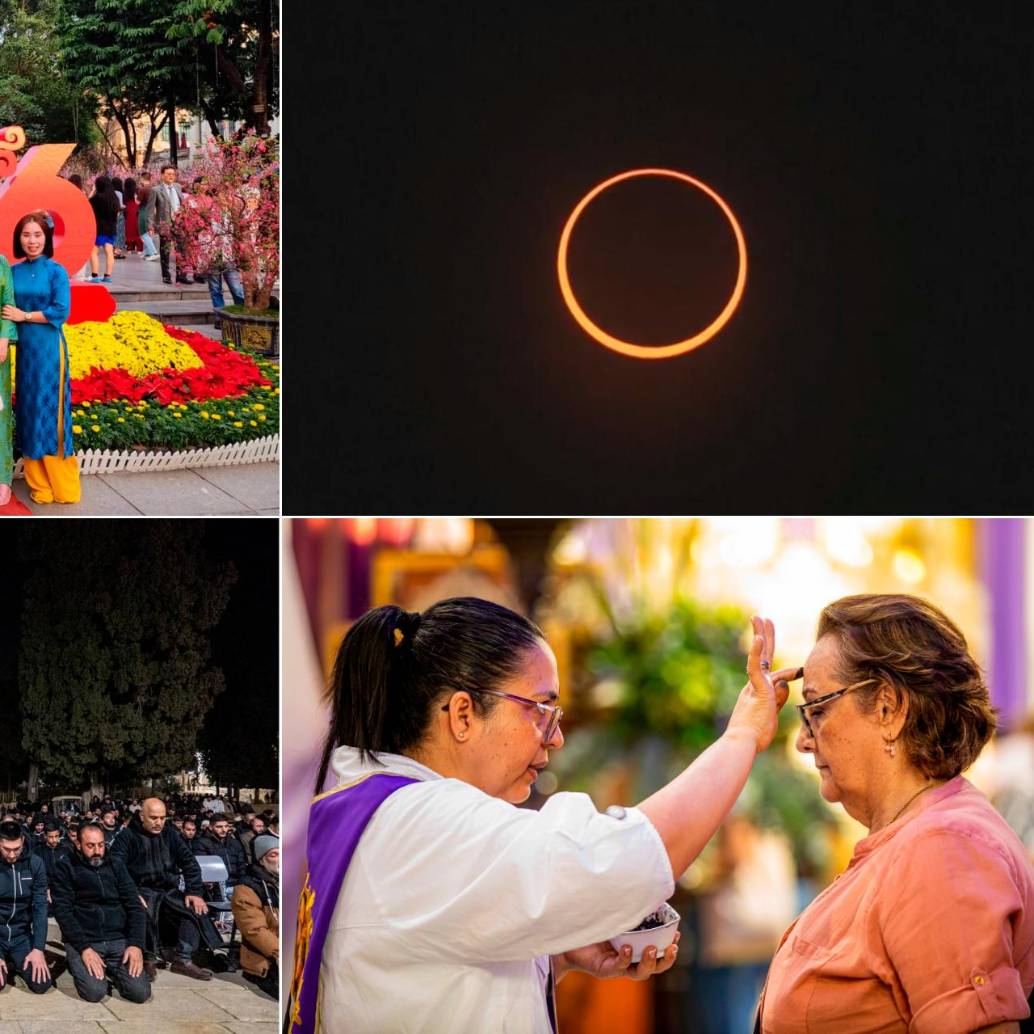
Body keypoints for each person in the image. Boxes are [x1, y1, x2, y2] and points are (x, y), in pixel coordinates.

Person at [289, 598, 793, 1034]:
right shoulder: (421, 823)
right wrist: (742, 736)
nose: (557, 738)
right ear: (463, 714)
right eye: (541, 710)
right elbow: (616, 859)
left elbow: (423, 969)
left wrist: (558, 954)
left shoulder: (383, 810)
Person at [758, 594, 1034, 1033]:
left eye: (817, 710)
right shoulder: (922, 836)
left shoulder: (941, 849)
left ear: (889, 708)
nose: (803, 741)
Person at [2, 212, 79, 505]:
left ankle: (63, 485)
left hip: (49, 351)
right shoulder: (13, 271)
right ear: (18, 239)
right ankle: (40, 484)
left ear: (46, 238)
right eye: (26, 235)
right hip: (24, 353)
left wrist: (24, 316)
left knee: (51, 413)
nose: (32, 241)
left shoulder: (56, 271)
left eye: (37, 235)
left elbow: (61, 310)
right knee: (29, 410)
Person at [109, 796, 224, 981]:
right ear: (142, 816)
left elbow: (190, 864)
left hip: (168, 890)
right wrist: (131, 893)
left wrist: (194, 892)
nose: (159, 822)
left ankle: (183, 959)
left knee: (194, 909)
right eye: (154, 817)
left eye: (162, 818)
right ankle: (147, 959)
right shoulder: (127, 837)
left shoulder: (171, 835)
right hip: (140, 889)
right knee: (142, 910)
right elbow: (116, 867)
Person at [51, 821, 150, 1003]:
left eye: (101, 845)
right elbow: (63, 912)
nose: (97, 851)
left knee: (140, 993)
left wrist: (136, 945)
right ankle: (77, 963)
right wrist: (84, 949)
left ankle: (113, 970)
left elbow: (135, 906)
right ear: (78, 844)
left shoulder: (116, 865)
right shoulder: (65, 867)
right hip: (86, 939)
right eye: (90, 846)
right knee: (94, 992)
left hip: (118, 938)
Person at [0, 818, 52, 994]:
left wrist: (38, 948)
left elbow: (40, 908)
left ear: (22, 841)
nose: (12, 855)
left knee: (41, 984)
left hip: (21, 935)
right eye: (6, 849)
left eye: (16, 849)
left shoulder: (35, 863)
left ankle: (14, 960)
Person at [232, 832, 279, 1000]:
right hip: (266, 960)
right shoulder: (247, 888)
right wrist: (280, 952)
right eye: (274, 855)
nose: (281, 859)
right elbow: (254, 929)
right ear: (261, 859)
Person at [0, 254, 18, 510]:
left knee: (0, 413)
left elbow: (7, 303)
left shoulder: (1, 263)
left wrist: (4, 339)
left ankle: (2, 478)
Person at [151, 165, 189, 285]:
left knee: (181, 249)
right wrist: (150, 225)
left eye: (173, 174)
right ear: (162, 175)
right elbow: (150, 210)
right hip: (165, 224)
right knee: (165, 250)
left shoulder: (178, 186)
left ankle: (181, 275)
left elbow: (182, 203)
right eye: (168, 174)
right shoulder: (156, 190)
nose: (171, 176)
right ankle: (166, 275)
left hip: (179, 223)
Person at [194, 814, 247, 888]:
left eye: (226, 826)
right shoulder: (202, 843)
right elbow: (203, 868)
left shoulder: (235, 843)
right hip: (216, 885)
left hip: (237, 883)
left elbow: (241, 865)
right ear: (210, 827)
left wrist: (242, 882)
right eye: (219, 827)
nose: (224, 830)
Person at [88, 175, 120, 283]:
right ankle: (107, 276)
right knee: (109, 251)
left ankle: (95, 276)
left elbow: (87, 204)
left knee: (93, 251)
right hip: (111, 228)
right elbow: (117, 213)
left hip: (99, 228)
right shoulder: (114, 198)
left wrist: (93, 191)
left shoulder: (97, 198)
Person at [137, 172, 159, 260]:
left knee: (143, 233)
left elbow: (137, 202)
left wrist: (135, 197)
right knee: (149, 232)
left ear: (142, 179)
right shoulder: (154, 189)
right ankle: (147, 252)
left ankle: (153, 252)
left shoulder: (142, 189)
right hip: (152, 212)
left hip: (143, 211)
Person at [123, 178, 142, 254]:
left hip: (128, 210)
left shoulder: (125, 192)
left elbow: (124, 203)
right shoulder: (137, 191)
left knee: (129, 229)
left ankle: (129, 248)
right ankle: (139, 248)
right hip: (136, 209)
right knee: (137, 229)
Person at [110, 175, 126, 258]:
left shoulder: (110, 193)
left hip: (111, 214)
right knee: (119, 232)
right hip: (119, 213)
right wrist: (125, 206)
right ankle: (117, 251)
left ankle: (113, 250)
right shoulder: (119, 193)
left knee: (113, 231)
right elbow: (120, 205)